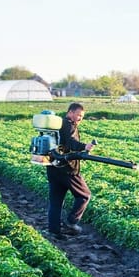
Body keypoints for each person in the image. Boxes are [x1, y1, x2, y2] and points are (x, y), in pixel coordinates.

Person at [47, 102, 95, 238]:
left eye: (82, 116)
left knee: (56, 201)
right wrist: (85, 146)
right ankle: (71, 222)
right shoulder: (68, 125)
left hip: (53, 168)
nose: (80, 118)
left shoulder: (57, 125)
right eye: (79, 115)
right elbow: (71, 142)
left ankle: (54, 231)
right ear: (70, 112)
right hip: (67, 170)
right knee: (84, 195)